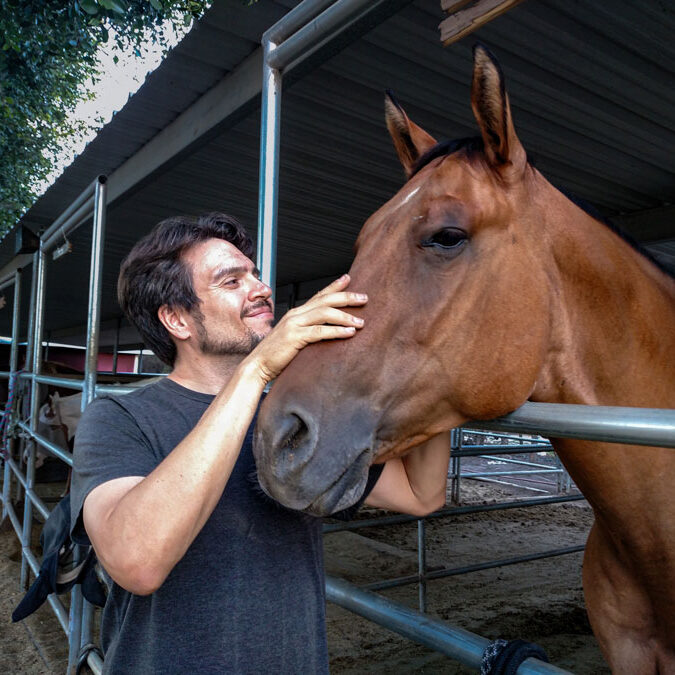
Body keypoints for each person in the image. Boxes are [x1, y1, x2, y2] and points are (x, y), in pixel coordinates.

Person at [70, 212, 451, 674]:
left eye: (254, 274)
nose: (261, 288)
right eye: (232, 281)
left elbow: (420, 493)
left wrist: (437, 370)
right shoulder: (119, 418)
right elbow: (137, 563)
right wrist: (257, 371)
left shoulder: (294, 418)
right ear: (176, 319)